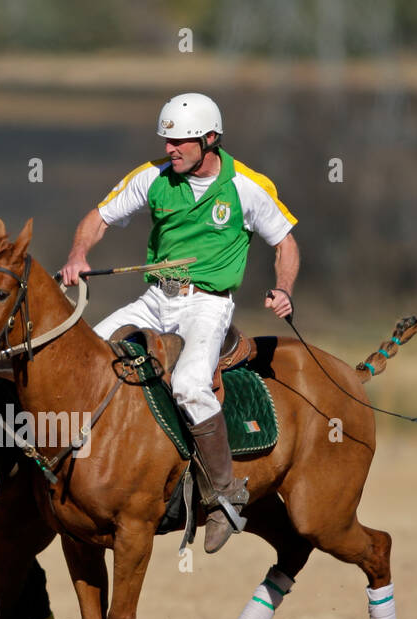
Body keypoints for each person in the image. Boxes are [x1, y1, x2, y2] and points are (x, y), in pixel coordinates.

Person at [59, 93, 299, 554]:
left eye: (181, 143)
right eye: (167, 141)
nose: (171, 150)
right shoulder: (152, 177)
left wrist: (283, 288)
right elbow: (99, 217)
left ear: (210, 140)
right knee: (84, 353)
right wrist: (78, 254)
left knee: (190, 384)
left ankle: (225, 495)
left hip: (206, 304)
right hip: (154, 299)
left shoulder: (248, 185)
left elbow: (285, 242)